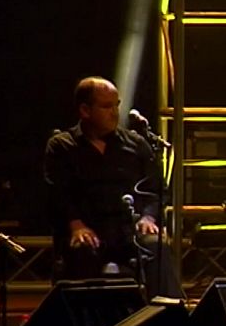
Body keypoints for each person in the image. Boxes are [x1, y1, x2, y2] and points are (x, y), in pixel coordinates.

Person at [43, 76, 183, 300]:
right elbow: (57, 193)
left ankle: (169, 318)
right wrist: (76, 225)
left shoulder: (136, 144)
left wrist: (148, 218)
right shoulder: (62, 146)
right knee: (82, 252)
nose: (115, 112)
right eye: (106, 106)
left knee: (157, 247)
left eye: (116, 105)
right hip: (89, 230)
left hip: (128, 232)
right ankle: (87, 325)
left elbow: (157, 189)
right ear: (85, 110)